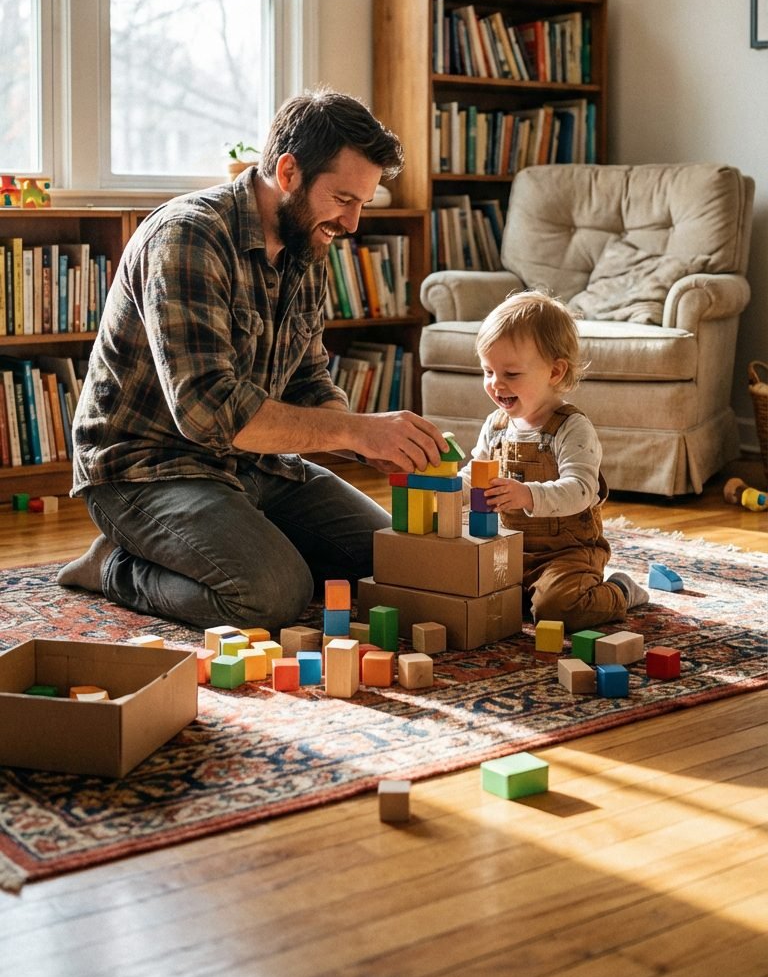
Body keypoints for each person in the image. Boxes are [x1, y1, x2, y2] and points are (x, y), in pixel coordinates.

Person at [58, 88, 447, 631]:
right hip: (148, 469)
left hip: (255, 463)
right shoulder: (188, 237)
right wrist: (356, 432)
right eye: (343, 199)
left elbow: (309, 378)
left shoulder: (305, 243)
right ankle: (115, 566)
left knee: (391, 563)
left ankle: (237, 538)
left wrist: (361, 441)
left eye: (364, 203)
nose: (354, 223)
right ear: (288, 172)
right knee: (272, 596)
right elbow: (207, 411)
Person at [463, 290, 648, 631]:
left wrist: (528, 495)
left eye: (511, 374)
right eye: (488, 371)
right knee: (463, 590)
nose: (495, 384)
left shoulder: (572, 428)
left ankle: (620, 590)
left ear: (554, 371)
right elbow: (475, 472)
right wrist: (445, 487)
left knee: (557, 609)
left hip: (567, 555)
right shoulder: (496, 424)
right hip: (507, 550)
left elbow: (580, 490)